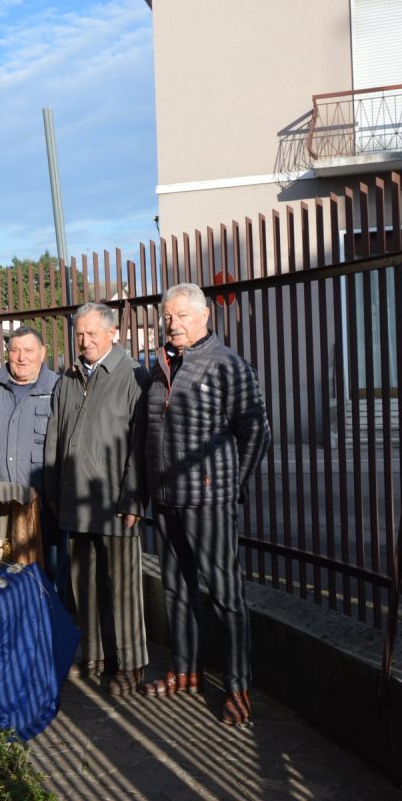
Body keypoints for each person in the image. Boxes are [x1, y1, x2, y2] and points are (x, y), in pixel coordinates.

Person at [144, 282, 271, 726]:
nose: (172, 323)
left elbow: (256, 431)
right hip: (166, 499)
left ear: (204, 317)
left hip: (210, 502)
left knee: (225, 595)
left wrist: (230, 483)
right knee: (177, 590)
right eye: (167, 317)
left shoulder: (227, 365)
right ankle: (185, 670)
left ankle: (238, 687)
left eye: (181, 315)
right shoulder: (160, 365)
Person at [44, 302, 150, 695]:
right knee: (83, 584)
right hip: (75, 499)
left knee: (122, 586)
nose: (85, 341)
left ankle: (132, 663)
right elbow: (54, 439)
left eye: (92, 334)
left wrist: (133, 500)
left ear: (112, 333)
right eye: (80, 334)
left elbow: (141, 447)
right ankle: (94, 655)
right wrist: (54, 492)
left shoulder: (133, 376)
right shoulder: (69, 377)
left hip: (114, 502)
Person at [0, 325, 62, 590]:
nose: (22, 357)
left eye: (29, 351)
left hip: (43, 505)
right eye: (15, 350)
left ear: (43, 353)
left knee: (46, 577)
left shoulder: (58, 387)